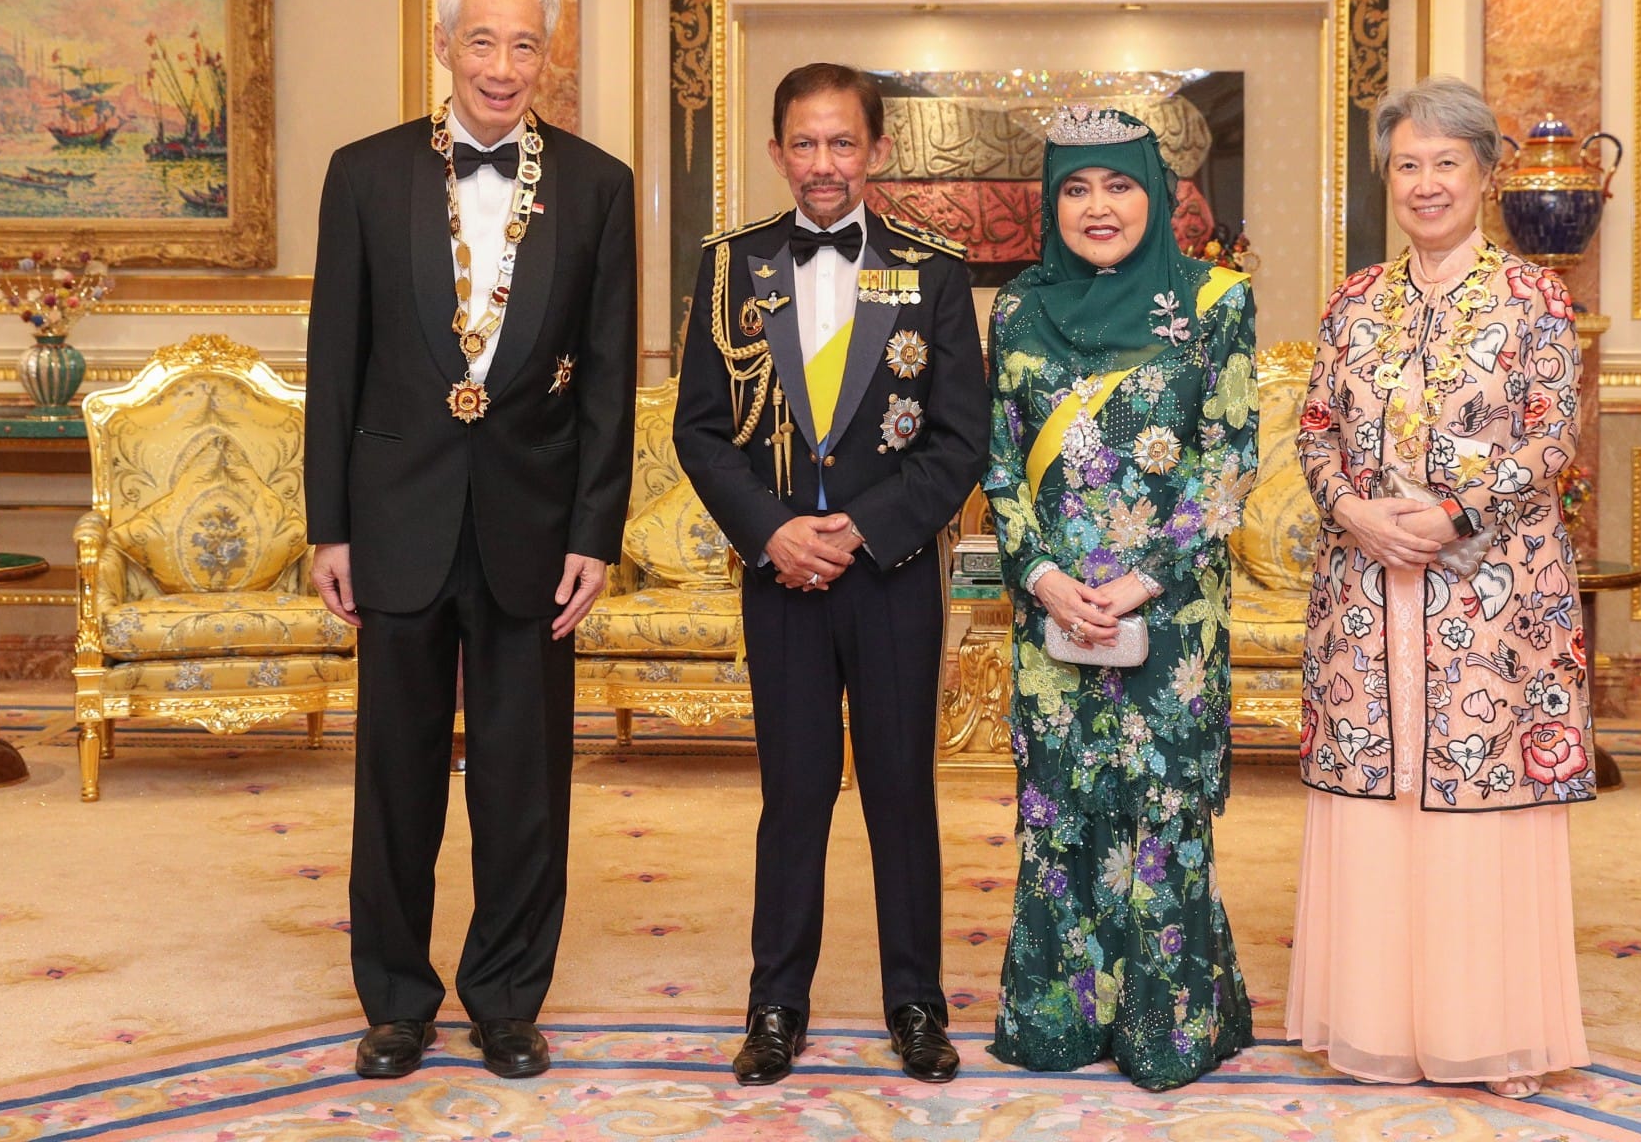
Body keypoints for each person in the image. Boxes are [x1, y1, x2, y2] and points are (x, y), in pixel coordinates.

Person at [305, 0, 637, 1081]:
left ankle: (505, 995)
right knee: (393, 777)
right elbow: (333, 365)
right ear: (444, 45)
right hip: (393, 521)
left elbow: (606, 383)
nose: (503, 66)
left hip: (534, 531)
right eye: (483, 41)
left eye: (525, 44)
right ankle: (396, 997)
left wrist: (596, 531)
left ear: (549, 55)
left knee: (523, 780)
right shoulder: (362, 173)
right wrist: (327, 527)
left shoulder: (598, 184)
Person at [672, 62, 989, 1086]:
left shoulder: (932, 271)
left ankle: (915, 1002)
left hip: (890, 575)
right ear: (776, 153)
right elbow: (702, 433)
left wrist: (860, 528)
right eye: (803, 144)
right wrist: (773, 532)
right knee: (794, 793)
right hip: (781, 577)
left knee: (902, 791)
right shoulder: (731, 267)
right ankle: (776, 1004)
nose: (822, 163)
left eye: (841, 143)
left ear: (877, 151)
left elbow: (958, 439)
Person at [1287, 75, 1593, 1098]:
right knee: (1379, 798)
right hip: (1366, 589)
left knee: (1482, 798)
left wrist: (1456, 512)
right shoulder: (1354, 301)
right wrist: (1355, 512)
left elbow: (1553, 435)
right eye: (1408, 164)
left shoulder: (1534, 297)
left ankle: (1492, 1032)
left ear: (1486, 175)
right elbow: (1315, 427)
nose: (1425, 183)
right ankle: (1376, 1021)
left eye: (1446, 163)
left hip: (1491, 594)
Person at [982, 105, 1258, 1091]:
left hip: (1172, 613)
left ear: (1159, 189)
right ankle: (1061, 1016)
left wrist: (1138, 579)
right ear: (1051, 200)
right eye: (1075, 187)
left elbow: (1229, 467)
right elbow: (1000, 461)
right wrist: (1051, 578)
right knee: (1065, 816)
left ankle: (1166, 1025)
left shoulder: (1217, 301)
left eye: (1119, 183)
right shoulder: (1016, 307)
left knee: (1163, 807)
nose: (1097, 206)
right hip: (1051, 610)